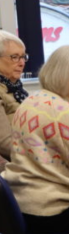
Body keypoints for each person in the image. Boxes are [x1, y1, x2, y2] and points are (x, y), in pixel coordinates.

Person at [2, 45, 69, 234]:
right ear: (64, 75)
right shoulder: (67, 114)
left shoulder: (32, 101)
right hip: (51, 211)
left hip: (19, 204)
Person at [0, 31, 29, 162]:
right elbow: (5, 142)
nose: (22, 63)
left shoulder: (17, 88)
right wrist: (43, 155)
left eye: (23, 57)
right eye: (15, 57)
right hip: (16, 163)